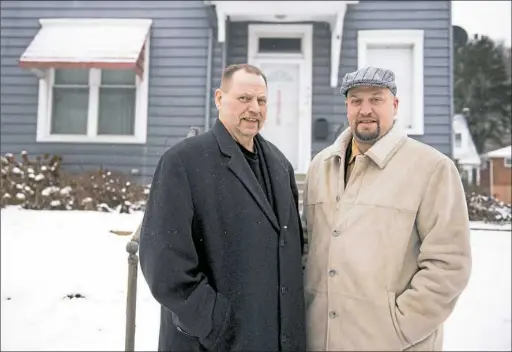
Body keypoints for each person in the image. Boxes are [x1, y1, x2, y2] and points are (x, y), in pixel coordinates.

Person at [302, 66, 472, 351]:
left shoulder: (432, 168)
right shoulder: (321, 166)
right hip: (320, 339)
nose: (365, 109)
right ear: (347, 107)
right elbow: (307, 245)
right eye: (356, 100)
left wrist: (399, 327)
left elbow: (449, 265)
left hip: (391, 343)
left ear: (394, 105)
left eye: (376, 99)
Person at [139, 63, 306, 351]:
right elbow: (164, 262)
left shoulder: (281, 166)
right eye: (244, 98)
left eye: (261, 100)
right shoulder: (183, 162)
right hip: (212, 342)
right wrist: (215, 322)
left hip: (272, 338)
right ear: (219, 98)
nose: (254, 108)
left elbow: (289, 248)